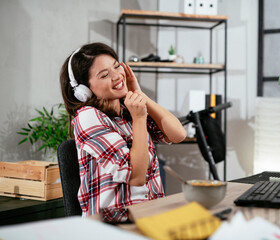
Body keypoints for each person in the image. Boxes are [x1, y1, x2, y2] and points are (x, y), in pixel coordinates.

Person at [60, 42, 186, 222]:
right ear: (84, 91)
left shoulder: (128, 109)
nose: (117, 76)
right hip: (113, 225)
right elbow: (136, 177)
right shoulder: (88, 117)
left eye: (116, 66)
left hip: (149, 217)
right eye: (104, 75)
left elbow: (177, 134)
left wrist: (138, 93)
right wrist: (140, 118)